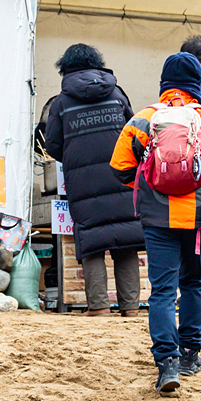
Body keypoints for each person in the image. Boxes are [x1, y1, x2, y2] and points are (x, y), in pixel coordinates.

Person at [111, 51, 201, 394]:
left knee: (163, 290)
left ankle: (167, 360)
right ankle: (190, 354)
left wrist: (151, 182)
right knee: (193, 282)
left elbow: (120, 167)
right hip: (199, 220)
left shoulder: (144, 119)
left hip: (157, 219)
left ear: (164, 84)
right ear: (198, 84)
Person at [37, 44, 143, 317]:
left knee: (92, 240)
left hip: (83, 183)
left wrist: (75, 156)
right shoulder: (117, 93)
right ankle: (131, 307)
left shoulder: (61, 102)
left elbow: (52, 145)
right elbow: (133, 133)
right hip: (121, 176)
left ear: (65, 69)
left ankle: (99, 306)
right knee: (126, 239)